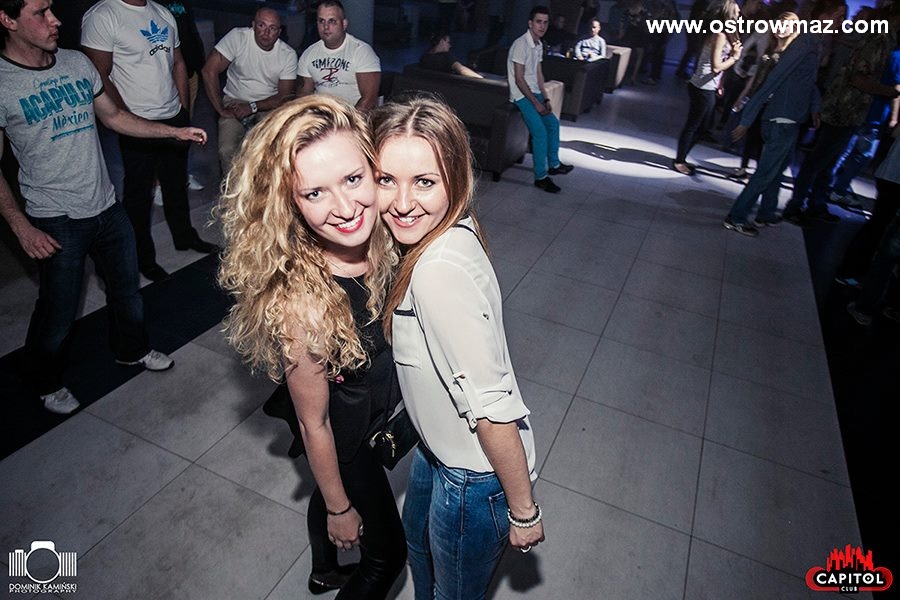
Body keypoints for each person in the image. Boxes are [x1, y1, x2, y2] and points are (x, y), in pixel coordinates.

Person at [217, 95, 405, 599]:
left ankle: (323, 571)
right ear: (290, 204)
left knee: (330, 492)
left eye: (353, 179)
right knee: (387, 557)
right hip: (344, 437)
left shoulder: (386, 235)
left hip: (370, 408)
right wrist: (341, 508)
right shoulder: (303, 305)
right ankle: (335, 535)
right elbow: (314, 423)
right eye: (315, 192)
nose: (345, 209)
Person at [371, 95, 543, 600]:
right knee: (419, 549)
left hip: (473, 474)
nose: (403, 203)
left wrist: (523, 511)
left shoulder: (438, 272)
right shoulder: (444, 232)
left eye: (424, 181)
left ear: (456, 178)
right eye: (386, 179)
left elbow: (491, 409)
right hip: (438, 449)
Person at [0, 0, 207, 414]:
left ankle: (131, 350)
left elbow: (114, 117)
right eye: (41, 13)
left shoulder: (75, 63)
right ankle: (44, 380)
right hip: (55, 216)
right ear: (7, 20)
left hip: (105, 205)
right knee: (59, 311)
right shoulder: (4, 83)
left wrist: (172, 131)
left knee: (127, 291)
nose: (56, 20)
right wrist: (21, 226)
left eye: (52, 9)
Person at [80, 0, 218, 283]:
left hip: (173, 115)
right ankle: (143, 257)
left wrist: (182, 109)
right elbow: (98, 76)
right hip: (137, 122)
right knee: (139, 195)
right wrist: (126, 117)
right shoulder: (103, 15)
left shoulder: (162, 11)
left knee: (176, 183)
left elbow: (178, 62)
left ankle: (184, 236)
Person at [722, 1, 847, 237]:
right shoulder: (805, 42)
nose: (841, 22)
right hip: (781, 118)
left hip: (790, 118)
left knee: (777, 169)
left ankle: (766, 212)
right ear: (823, 17)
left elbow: (807, 81)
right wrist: (747, 118)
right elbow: (774, 79)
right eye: (838, 17)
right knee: (766, 173)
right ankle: (736, 217)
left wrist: (814, 107)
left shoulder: (814, 42)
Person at [201, 7, 298, 172]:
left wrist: (252, 107)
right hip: (235, 100)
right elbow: (209, 70)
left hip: (269, 104)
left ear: (279, 32)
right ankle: (232, 185)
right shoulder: (238, 37)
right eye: (261, 25)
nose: (266, 32)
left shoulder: (288, 55)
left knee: (270, 150)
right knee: (226, 148)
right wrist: (220, 109)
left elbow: (284, 97)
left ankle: (263, 184)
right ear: (253, 25)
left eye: (272, 28)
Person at [507, 5, 574, 194]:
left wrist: (545, 99)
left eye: (545, 22)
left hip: (534, 93)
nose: (542, 26)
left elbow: (539, 74)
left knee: (553, 123)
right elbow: (519, 79)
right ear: (530, 23)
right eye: (538, 22)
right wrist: (536, 103)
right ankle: (541, 177)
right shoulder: (521, 44)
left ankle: (554, 164)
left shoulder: (538, 44)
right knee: (540, 132)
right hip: (521, 96)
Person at [673, 0, 742, 176]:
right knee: (694, 125)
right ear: (729, 14)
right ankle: (679, 161)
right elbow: (716, 66)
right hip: (701, 86)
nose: (739, 13)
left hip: (709, 85)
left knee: (703, 127)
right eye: (736, 11)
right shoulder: (719, 35)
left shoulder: (726, 33)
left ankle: (682, 158)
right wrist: (735, 57)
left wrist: (720, 83)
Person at [297, 0, 381, 112]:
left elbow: (369, 101)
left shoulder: (361, 52)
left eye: (332, 21)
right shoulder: (308, 54)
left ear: (344, 24)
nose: (326, 27)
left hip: (354, 116)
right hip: (322, 115)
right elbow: (303, 95)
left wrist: (347, 121)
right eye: (321, 21)